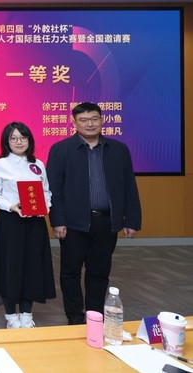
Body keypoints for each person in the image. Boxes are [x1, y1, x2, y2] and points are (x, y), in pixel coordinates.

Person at [47, 102, 141, 325]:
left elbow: (129, 186)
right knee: (70, 272)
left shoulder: (118, 149)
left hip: (106, 223)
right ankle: (74, 317)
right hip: (73, 224)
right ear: (74, 122)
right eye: (83, 120)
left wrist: (132, 219)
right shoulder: (61, 150)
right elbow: (54, 190)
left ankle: (94, 316)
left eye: (94, 119)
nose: (90, 124)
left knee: (99, 273)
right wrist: (57, 220)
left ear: (102, 120)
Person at [0, 122, 56, 329]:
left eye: (23, 137)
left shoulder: (38, 164)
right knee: (10, 268)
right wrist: (11, 206)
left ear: (29, 140)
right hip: (10, 223)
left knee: (32, 267)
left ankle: (27, 314)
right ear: (7, 142)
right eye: (14, 138)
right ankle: (11, 316)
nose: (19, 142)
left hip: (35, 223)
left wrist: (45, 206)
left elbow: (46, 191)